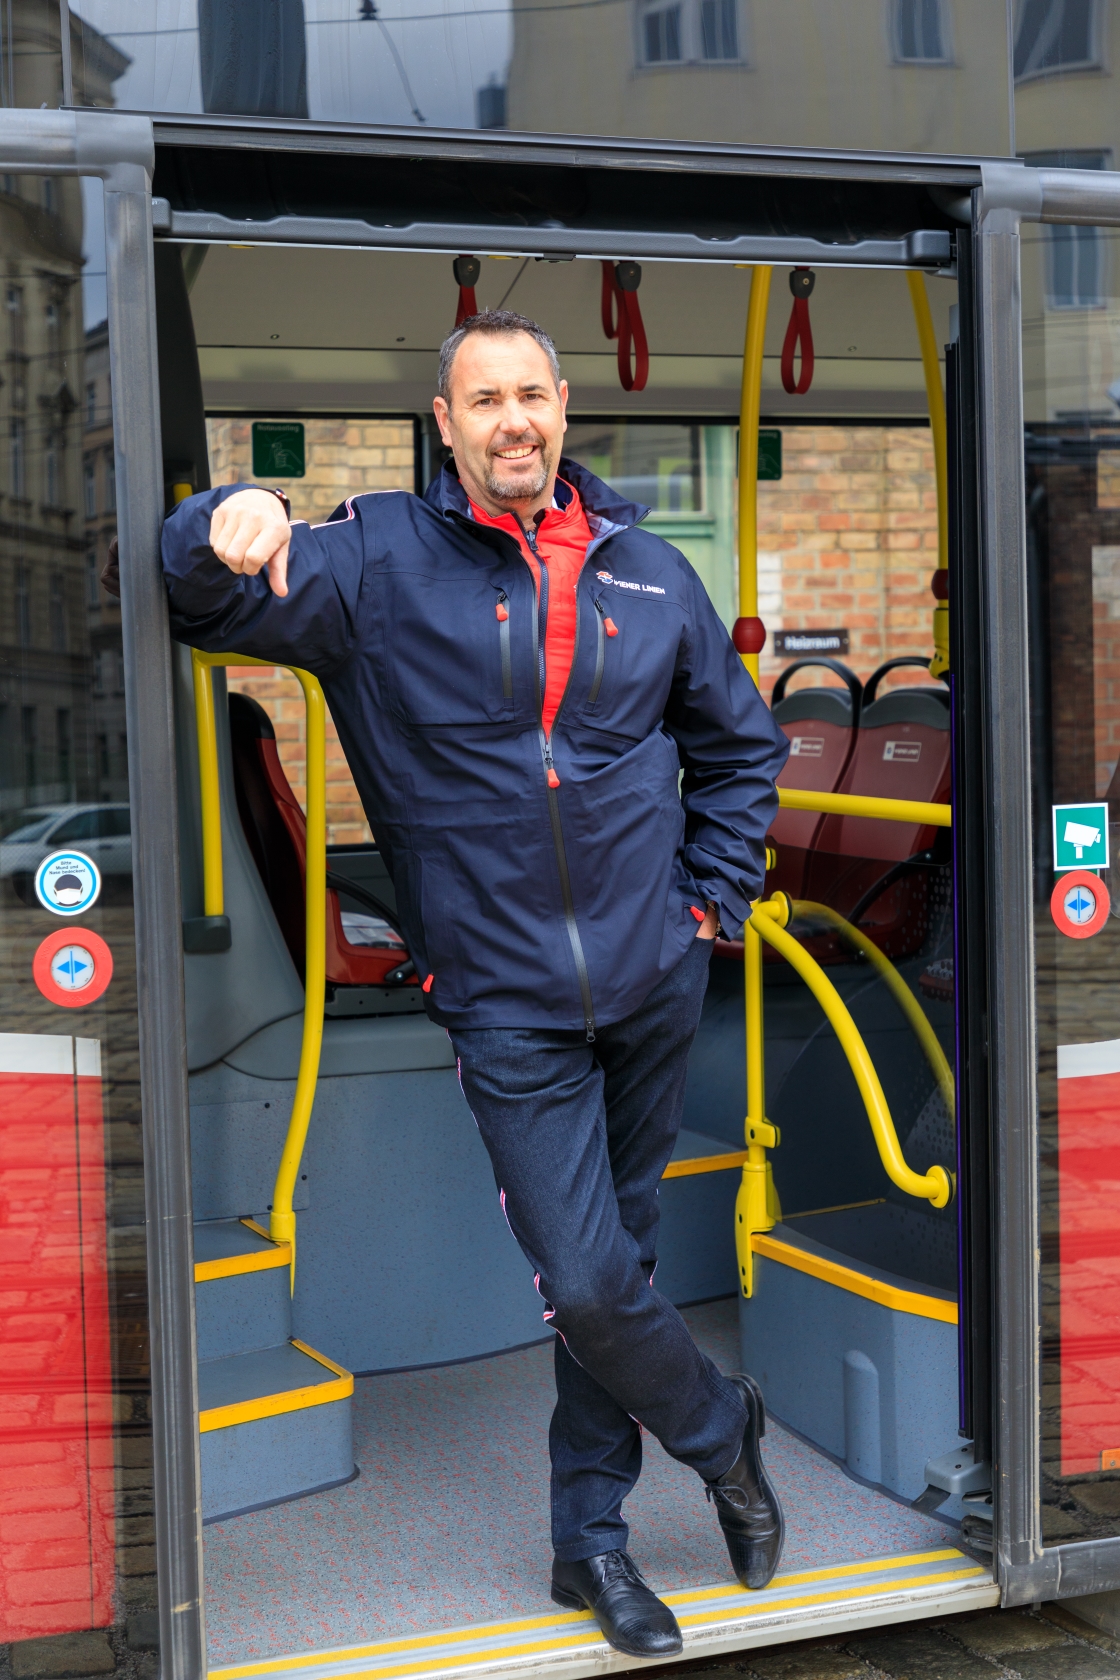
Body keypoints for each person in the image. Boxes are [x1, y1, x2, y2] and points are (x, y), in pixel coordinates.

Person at [162, 309, 789, 1659]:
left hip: (654, 982)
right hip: (505, 1002)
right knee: (585, 1276)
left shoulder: (650, 575)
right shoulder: (374, 562)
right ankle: (719, 1432)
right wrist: (230, 512)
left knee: (608, 1276)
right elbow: (195, 597)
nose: (513, 419)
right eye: (482, 399)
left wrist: (708, 907)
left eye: (531, 395)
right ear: (444, 425)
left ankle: (593, 1547)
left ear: (563, 409)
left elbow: (739, 751)